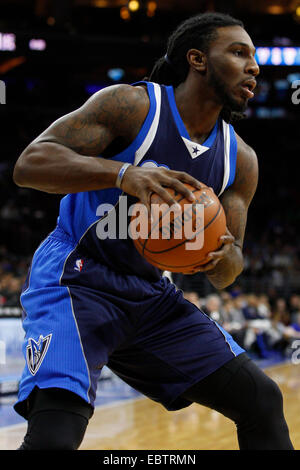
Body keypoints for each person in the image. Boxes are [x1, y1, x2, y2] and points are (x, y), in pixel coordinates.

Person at [13, 12, 293, 450]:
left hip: (150, 294)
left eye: (254, 56)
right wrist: (123, 174)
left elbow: (227, 270)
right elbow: (30, 165)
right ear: (197, 59)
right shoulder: (133, 106)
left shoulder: (240, 159)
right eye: (239, 53)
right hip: (78, 278)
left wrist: (224, 259)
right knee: (56, 433)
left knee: (260, 398)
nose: (254, 66)